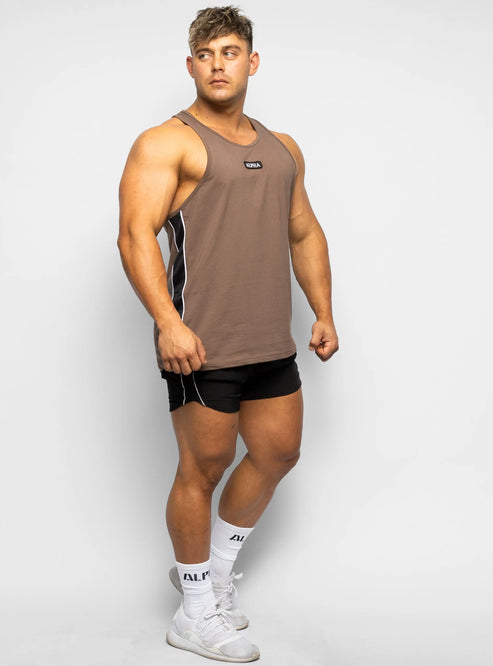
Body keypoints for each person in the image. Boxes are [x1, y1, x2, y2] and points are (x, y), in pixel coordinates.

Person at [118, 5, 338, 662]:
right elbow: (134, 236)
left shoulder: (282, 147)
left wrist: (323, 310)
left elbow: (303, 230)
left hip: (269, 339)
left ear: (252, 62)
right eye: (207, 54)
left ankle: (212, 577)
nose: (219, 65)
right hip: (201, 342)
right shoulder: (166, 142)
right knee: (203, 468)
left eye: (231, 52)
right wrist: (168, 323)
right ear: (191, 66)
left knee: (277, 454)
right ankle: (192, 614)